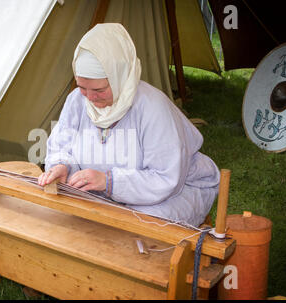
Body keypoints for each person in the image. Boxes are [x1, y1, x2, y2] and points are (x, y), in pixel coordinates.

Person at [37, 23, 220, 227]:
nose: (90, 97)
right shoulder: (76, 101)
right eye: (82, 87)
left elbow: (165, 179)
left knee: (138, 227)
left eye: (99, 89)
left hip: (175, 191)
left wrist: (109, 182)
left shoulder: (152, 107)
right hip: (106, 194)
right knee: (66, 217)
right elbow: (61, 144)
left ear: (119, 76)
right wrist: (62, 165)